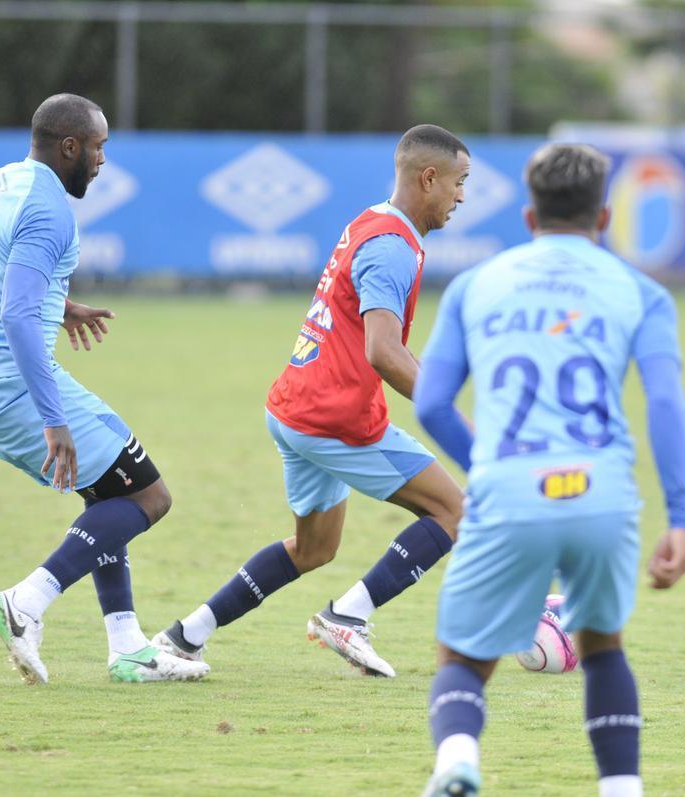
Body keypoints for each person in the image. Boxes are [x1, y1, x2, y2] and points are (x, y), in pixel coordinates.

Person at [412, 143, 685, 797]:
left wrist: (487, 464)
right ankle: (621, 787)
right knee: (602, 645)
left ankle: (456, 760)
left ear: (529, 216)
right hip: (601, 492)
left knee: (461, 655)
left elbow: (430, 401)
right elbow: (666, 401)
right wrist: (681, 516)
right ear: (603, 219)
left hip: (509, 488)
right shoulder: (642, 292)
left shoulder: (476, 284)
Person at [152, 125, 471, 678]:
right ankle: (348, 616)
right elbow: (383, 352)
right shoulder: (392, 249)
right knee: (454, 512)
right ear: (429, 178)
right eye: (460, 182)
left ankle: (184, 637)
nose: (462, 196)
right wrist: (447, 413)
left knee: (313, 548)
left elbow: (378, 341)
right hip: (336, 419)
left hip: (295, 407)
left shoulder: (371, 221)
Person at [0, 93, 209, 685]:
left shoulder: (2, 181)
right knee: (149, 497)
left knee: (107, 491)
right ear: (70, 147)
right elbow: (14, 316)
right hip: (7, 379)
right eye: (98, 146)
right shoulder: (50, 210)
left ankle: (128, 646)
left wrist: (58, 307)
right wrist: (53, 419)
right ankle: (25, 603)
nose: (102, 159)